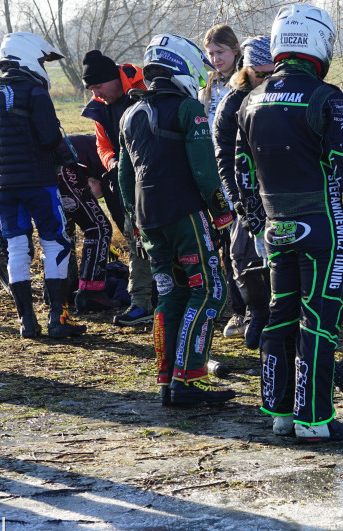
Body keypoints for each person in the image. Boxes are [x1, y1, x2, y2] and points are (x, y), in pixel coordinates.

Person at [236, 4, 343, 442]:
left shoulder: (250, 100)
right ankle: (314, 420)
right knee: (318, 318)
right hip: (321, 228)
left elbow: (242, 173)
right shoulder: (326, 97)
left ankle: (280, 413)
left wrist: (257, 221)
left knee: (281, 315)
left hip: (275, 228)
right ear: (318, 44)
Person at [118, 34, 236, 406]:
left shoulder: (129, 112)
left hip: (147, 219)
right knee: (211, 290)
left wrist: (134, 220)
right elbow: (205, 170)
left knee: (170, 294)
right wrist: (222, 213)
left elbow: (123, 176)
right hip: (186, 214)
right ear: (181, 66)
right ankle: (188, 378)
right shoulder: (188, 108)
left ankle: (168, 379)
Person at [0, 32, 86, 339]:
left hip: (3, 186)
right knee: (56, 243)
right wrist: (66, 158)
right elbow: (49, 137)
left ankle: (26, 321)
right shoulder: (34, 92)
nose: (43, 66)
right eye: (42, 60)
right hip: (38, 182)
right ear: (27, 56)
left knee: (17, 248)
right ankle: (57, 318)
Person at [81, 50, 156, 327]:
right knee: (137, 242)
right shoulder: (101, 105)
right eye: (92, 89)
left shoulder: (147, 88)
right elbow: (102, 145)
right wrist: (112, 164)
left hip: (161, 180)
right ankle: (140, 303)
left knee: (168, 241)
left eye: (98, 86)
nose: (97, 93)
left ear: (114, 78)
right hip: (126, 184)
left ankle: (179, 297)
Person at [211, 36, 275, 351]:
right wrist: (237, 200)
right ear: (246, 69)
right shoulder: (232, 102)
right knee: (241, 253)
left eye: (270, 72)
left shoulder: (284, 91)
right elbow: (223, 155)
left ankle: (284, 312)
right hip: (245, 190)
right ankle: (256, 310)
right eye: (258, 74)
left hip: (283, 189)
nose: (264, 79)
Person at [200, 24, 249, 340]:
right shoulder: (206, 88)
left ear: (235, 50)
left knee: (248, 248)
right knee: (226, 250)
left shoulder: (247, 83)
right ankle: (238, 310)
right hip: (215, 180)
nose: (215, 58)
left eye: (220, 52)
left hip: (244, 175)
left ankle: (258, 309)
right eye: (211, 53)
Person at [59, 134, 121, 313]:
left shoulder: (92, 147)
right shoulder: (112, 160)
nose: (96, 196)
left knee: (64, 231)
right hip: (65, 167)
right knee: (99, 228)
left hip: (51, 167)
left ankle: (62, 291)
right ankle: (90, 294)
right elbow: (114, 201)